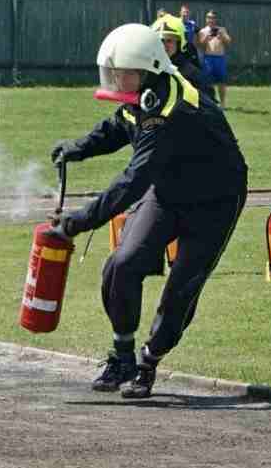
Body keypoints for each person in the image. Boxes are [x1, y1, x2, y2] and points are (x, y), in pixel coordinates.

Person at [49, 23, 248, 399]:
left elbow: (133, 181)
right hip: (170, 190)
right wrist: (79, 146)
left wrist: (77, 222)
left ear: (147, 68)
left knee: (180, 289)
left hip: (215, 200)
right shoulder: (144, 93)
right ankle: (122, 354)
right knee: (120, 265)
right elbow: (119, 125)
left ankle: (147, 361)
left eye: (119, 71)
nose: (113, 78)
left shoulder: (169, 109)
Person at [152, 12, 215, 102]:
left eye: (169, 41)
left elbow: (209, 104)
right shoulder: (147, 71)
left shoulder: (191, 74)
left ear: (179, 43)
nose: (164, 45)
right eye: (161, 40)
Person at [197, 9, 233, 107]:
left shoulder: (221, 29)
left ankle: (222, 103)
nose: (211, 20)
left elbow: (229, 42)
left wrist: (223, 36)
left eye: (212, 18)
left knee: (221, 82)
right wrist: (206, 38)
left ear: (215, 19)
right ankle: (210, 103)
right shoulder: (203, 31)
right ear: (206, 19)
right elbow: (200, 45)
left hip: (220, 58)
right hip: (208, 58)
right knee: (208, 82)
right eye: (209, 17)